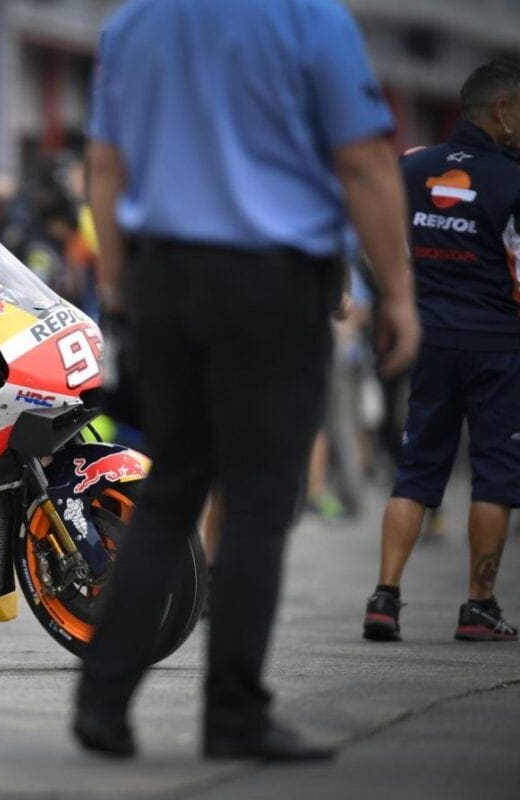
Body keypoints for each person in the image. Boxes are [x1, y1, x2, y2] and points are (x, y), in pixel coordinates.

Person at [75, 0, 420, 761]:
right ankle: (232, 713)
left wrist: (124, 287)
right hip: (269, 282)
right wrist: (395, 289)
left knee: (170, 494)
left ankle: (102, 701)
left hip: (165, 275)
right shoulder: (309, 18)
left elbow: (104, 165)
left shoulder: (136, 21)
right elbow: (362, 161)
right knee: (260, 502)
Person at [362, 60, 520, 644]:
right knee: (496, 478)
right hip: (498, 347)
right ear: (501, 111)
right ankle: (478, 607)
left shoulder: (413, 167)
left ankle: (385, 597)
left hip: (427, 339)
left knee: (415, 469)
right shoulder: (513, 181)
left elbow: (379, 241)